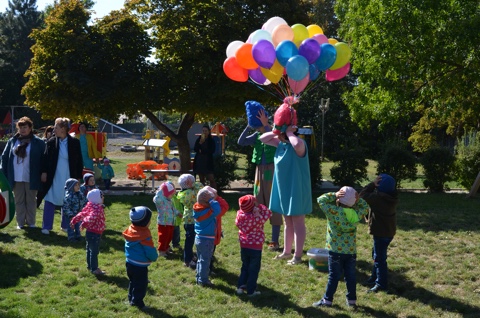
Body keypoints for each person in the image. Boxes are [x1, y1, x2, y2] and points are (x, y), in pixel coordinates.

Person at [259, 96, 312, 265]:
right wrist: (276, 128)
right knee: (287, 221)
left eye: (282, 135)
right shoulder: (281, 145)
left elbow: (297, 146)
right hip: (283, 189)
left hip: (297, 189)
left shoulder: (300, 144)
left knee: (297, 222)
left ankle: (297, 255)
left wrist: (289, 131)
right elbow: (263, 139)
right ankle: (287, 252)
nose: (280, 137)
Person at [313, 186, 370, 308]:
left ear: (339, 200)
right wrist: (358, 200)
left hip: (335, 251)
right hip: (350, 251)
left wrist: (334, 195)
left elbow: (320, 200)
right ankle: (352, 301)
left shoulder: (333, 211)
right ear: (353, 202)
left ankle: (327, 300)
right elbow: (365, 207)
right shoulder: (356, 213)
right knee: (350, 276)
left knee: (334, 276)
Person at [238, 102, 282, 251]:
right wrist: (248, 126)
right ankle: (258, 234)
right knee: (258, 201)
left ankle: (275, 241)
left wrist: (266, 125)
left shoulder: (273, 131)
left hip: (271, 170)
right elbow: (241, 141)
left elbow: (274, 139)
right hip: (259, 170)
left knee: (273, 203)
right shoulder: (256, 135)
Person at [37, 117, 83, 235]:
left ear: (63, 129)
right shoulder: (51, 142)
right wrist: (43, 172)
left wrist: (78, 177)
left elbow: (79, 161)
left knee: (67, 199)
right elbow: (45, 159)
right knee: (50, 198)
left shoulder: (74, 143)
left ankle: (65, 225)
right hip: (54, 176)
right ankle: (47, 226)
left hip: (68, 175)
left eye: (56, 127)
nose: (54, 129)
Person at [1, 116, 45, 229]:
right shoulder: (12, 141)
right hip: (16, 176)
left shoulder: (38, 142)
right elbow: (4, 158)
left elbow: (44, 159)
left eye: (25, 127)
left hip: (32, 176)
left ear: (30, 128)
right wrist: (3, 173)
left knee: (31, 200)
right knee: (18, 200)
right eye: (20, 128)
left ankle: (31, 223)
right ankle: (20, 223)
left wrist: (43, 172)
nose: (22, 130)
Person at [359, 174, 399, 293]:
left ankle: (381, 283)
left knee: (379, 259)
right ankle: (374, 277)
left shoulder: (378, 198)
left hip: (381, 233)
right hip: (388, 232)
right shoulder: (392, 197)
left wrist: (372, 184)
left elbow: (362, 196)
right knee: (377, 255)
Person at [235, 194, 272, 297]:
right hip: (255, 246)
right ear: (254, 206)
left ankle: (241, 287)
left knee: (245, 266)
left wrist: (253, 206)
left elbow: (237, 222)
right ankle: (251, 291)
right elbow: (268, 212)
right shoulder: (257, 217)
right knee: (253, 269)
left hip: (244, 244)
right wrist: (259, 206)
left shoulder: (240, 214)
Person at [123, 206, 158, 310]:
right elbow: (150, 250)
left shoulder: (131, 229)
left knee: (133, 281)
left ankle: (131, 298)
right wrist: (154, 257)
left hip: (129, 262)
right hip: (140, 266)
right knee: (141, 285)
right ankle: (137, 302)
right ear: (145, 222)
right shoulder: (144, 235)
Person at [193, 186, 229, 287]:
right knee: (205, 261)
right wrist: (212, 200)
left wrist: (206, 199)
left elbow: (201, 202)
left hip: (199, 238)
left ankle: (199, 277)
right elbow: (217, 210)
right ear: (208, 202)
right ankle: (203, 281)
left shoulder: (197, 209)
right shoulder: (209, 213)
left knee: (200, 259)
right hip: (207, 240)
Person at [70, 189, 106, 275]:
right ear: (97, 198)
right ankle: (94, 269)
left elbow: (82, 213)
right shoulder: (98, 209)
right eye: (102, 196)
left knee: (89, 250)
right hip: (95, 233)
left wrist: (74, 220)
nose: (103, 197)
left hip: (90, 233)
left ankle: (90, 266)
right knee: (94, 251)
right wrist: (84, 223)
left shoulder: (91, 205)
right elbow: (91, 217)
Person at [174, 174, 202, 268]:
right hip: (191, 220)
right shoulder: (188, 194)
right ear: (188, 183)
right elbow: (198, 192)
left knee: (192, 239)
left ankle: (191, 256)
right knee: (190, 240)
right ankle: (187, 259)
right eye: (192, 181)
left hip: (191, 219)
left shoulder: (185, 192)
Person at [153, 181, 181, 258]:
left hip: (171, 222)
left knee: (169, 236)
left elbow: (173, 209)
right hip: (163, 222)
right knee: (163, 237)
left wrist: (178, 213)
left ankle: (166, 247)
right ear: (165, 193)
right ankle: (161, 250)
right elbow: (156, 199)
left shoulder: (170, 201)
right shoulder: (160, 200)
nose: (172, 196)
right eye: (171, 194)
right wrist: (160, 191)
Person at [193, 124, 217, 189]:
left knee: (211, 178)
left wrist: (203, 151)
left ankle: (215, 192)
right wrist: (200, 143)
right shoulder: (199, 139)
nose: (204, 132)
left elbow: (212, 150)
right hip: (200, 160)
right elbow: (195, 149)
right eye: (203, 131)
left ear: (208, 131)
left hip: (208, 161)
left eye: (206, 131)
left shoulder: (211, 140)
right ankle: (203, 193)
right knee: (201, 179)